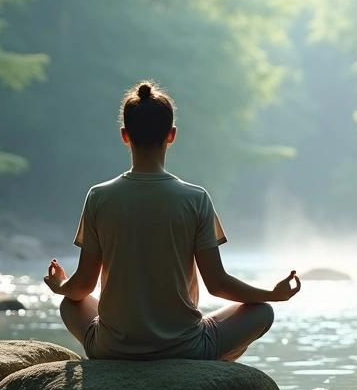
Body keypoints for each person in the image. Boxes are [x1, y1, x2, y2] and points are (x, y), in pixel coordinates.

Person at [43, 81, 301, 361]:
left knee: (70, 303)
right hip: (185, 348)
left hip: (112, 348)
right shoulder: (196, 199)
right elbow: (217, 284)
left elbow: (82, 286)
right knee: (262, 311)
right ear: (172, 135)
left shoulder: (98, 197)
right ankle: (209, 368)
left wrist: (60, 285)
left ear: (125, 136)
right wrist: (272, 294)